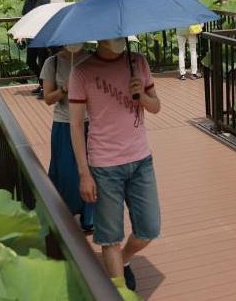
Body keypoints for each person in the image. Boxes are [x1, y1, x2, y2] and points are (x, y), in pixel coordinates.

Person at [69, 38, 161, 292]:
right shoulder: (82, 72)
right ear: (99, 37)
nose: (117, 40)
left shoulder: (138, 62)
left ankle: (123, 260)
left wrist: (141, 94)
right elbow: (76, 125)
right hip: (104, 165)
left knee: (149, 229)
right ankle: (118, 290)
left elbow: (156, 107)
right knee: (110, 237)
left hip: (141, 160)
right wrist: (83, 173)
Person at [41, 43, 94, 232]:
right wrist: (64, 90)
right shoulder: (52, 63)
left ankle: (90, 217)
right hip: (64, 122)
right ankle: (65, 214)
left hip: (91, 122)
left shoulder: (92, 59)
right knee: (66, 173)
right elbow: (48, 98)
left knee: (92, 170)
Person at [22, 0, 50, 99]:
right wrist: (21, 34)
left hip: (42, 36)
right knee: (30, 61)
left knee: (43, 62)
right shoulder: (27, 1)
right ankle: (42, 83)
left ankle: (46, 88)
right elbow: (24, 18)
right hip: (31, 36)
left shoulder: (45, 0)